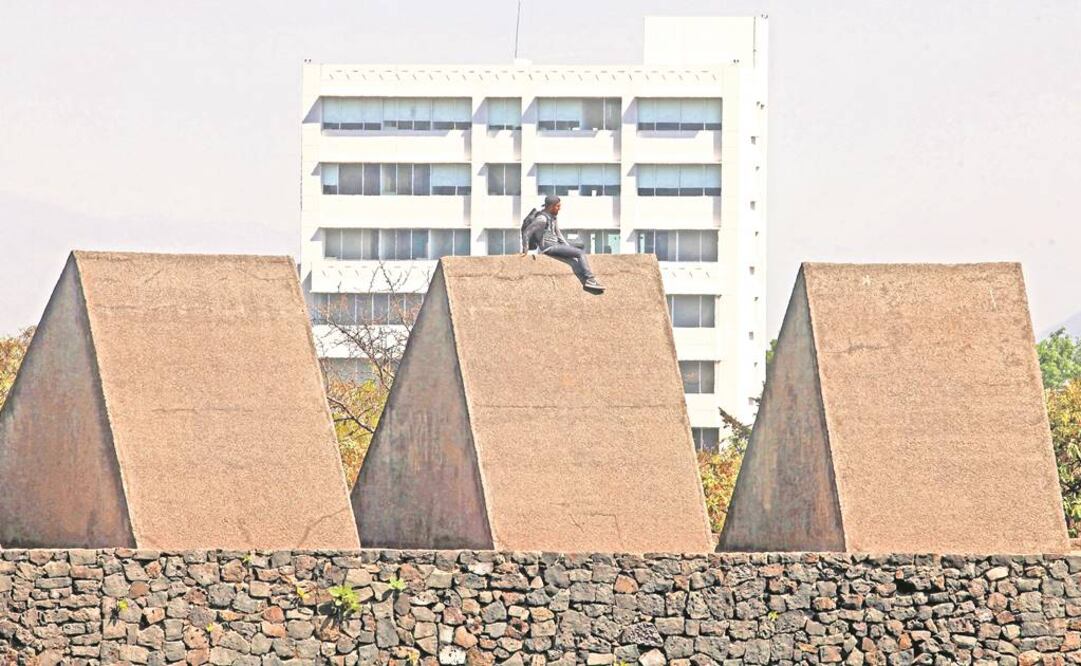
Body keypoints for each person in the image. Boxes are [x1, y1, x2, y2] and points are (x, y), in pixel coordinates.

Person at [521, 195, 605, 292]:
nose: (559, 208)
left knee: (580, 245)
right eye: (558, 206)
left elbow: (558, 234)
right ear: (551, 206)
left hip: (557, 244)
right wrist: (525, 250)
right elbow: (527, 232)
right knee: (580, 253)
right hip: (549, 247)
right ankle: (590, 280)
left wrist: (567, 247)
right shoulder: (542, 218)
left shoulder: (553, 217)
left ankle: (583, 271)